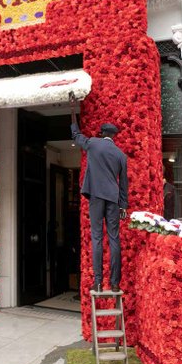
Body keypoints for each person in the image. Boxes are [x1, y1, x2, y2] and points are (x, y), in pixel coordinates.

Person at [69, 96, 128, 293]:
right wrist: (123, 207)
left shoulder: (94, 143)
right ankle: (115, 283)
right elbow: (124, 184)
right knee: (114, 239)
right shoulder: (120, 155)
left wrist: (72, 111)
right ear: (114, 136)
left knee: (96, 237)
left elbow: (76, 136)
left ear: (102, 134)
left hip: (96, 197)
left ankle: (98, 282)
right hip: (113, 198)